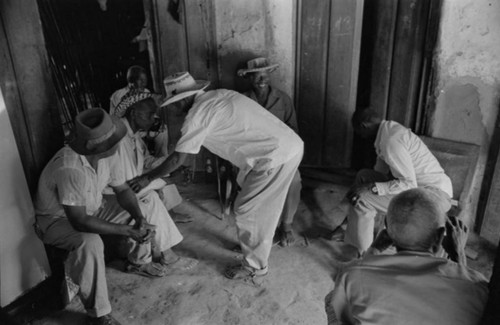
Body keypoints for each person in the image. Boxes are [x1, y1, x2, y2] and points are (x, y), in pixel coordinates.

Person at [127, 71, 304, 281]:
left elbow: (177, 159)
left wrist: (147, 178)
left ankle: (255, 267)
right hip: (281, 149)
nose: (174, 108)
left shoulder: (197, 115)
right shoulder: (218, 95)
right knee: (255, 207)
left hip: (275, 155)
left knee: (248, 210)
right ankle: (254, 244)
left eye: (175, 102)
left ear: (184, 99)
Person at [33, 109, 185, 325]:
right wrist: (127, 230)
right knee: (90, 242)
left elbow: (123, 191)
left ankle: (138, 261)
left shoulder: (104, 156)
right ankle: (99, 313)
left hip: (91, 209)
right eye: (112, 141)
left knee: (143, 204)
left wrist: (138, 218)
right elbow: (79, 221)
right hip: (56, 221)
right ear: (95, 146)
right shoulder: (70, 167)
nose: (116, 145)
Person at [325, 188, 488, 325]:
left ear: (386, 231)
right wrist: (458, 253)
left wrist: (373, 250)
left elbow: (337, 313)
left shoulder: (351, 276)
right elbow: (467, 289)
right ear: (439, 237)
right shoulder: (478, 287)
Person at [328, 108, 453, 255]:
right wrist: (367, 185)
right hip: (422, 189)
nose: (360, 136)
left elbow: (408, 183)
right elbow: (378, 172)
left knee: (363, 199)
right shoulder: (387, 131)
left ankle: (364, 257)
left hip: (433, 197)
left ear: (363, 126)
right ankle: (347, 228)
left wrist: (371, 188)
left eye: (358, 131)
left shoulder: (391, 142)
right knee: (364, 176)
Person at [238, 57, 301, 246]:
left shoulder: (283, 99)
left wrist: (288, 154)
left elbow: (294, 130)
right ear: (249, 79)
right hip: (254, 155)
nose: (262, 79)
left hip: (282, 153)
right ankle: (260, 231)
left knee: (294, 180)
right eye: (257, 76)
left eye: (265, 75)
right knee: (252, 184)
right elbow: (238, 133)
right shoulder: (242, 100)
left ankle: (286, 226)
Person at [112, 91, 193, 223]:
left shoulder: (133, 133)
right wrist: (170, 179)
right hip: (119, 192)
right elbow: (131, 184)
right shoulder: (120, 137)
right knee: (160, 179)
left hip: (131, 180)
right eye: (150, 114)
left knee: (165, 169)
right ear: (133, 113)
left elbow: (146, 159)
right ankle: (167, 216)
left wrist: (171, 164)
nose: (154, 118)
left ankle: (170, 214)